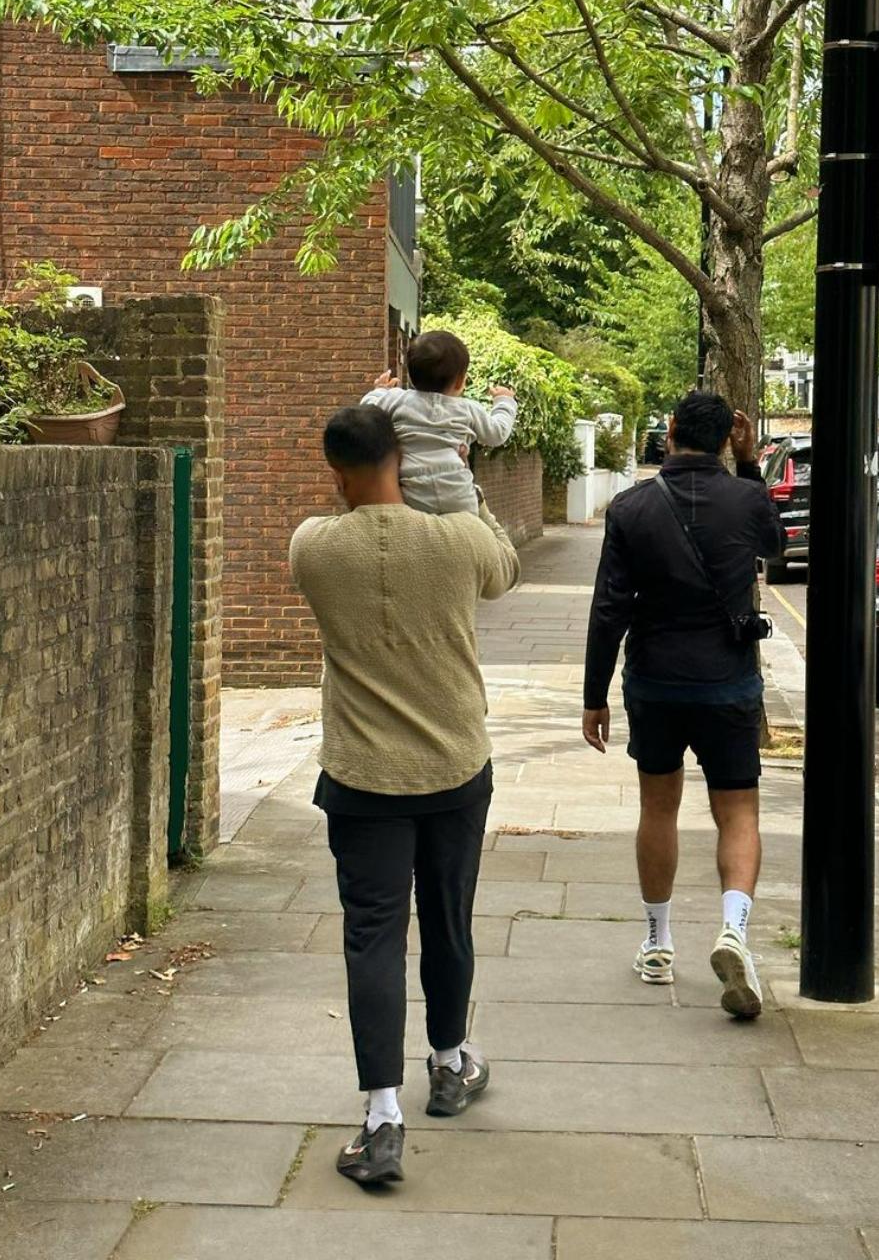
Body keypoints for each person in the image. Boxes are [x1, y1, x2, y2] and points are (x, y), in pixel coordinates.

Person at [290, 403, 521, 1186]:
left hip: (363, 778)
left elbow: (349, 519)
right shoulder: (459, 541)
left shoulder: (314, 548)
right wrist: (455, 475)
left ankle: (381, 1118)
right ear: (404, 458)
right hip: (456, 767)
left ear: (335, 470)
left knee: (374, 938)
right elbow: (505, 568)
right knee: (449, 919)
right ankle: (451, 1063)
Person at [581, 390, 784, 1017]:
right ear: (728, 437)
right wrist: (750, 465)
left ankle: (658, 942)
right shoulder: (746, 497)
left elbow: (609, 606)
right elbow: (775, 546)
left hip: (656, 681)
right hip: (728, 682)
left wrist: (594, 696)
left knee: (658, 807)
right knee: (738, 811)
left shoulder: (631, 506)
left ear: (669, 431)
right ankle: (733, 929)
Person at [362, 329, 518, 515]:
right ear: (461, 382)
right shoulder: (467, 409)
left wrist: (380, 390)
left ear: (411, 376)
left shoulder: (396, 399)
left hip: (411, 487)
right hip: (456, 487)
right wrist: (504, 402)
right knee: (465, 533)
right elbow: (497, 433)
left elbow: (366, 410)